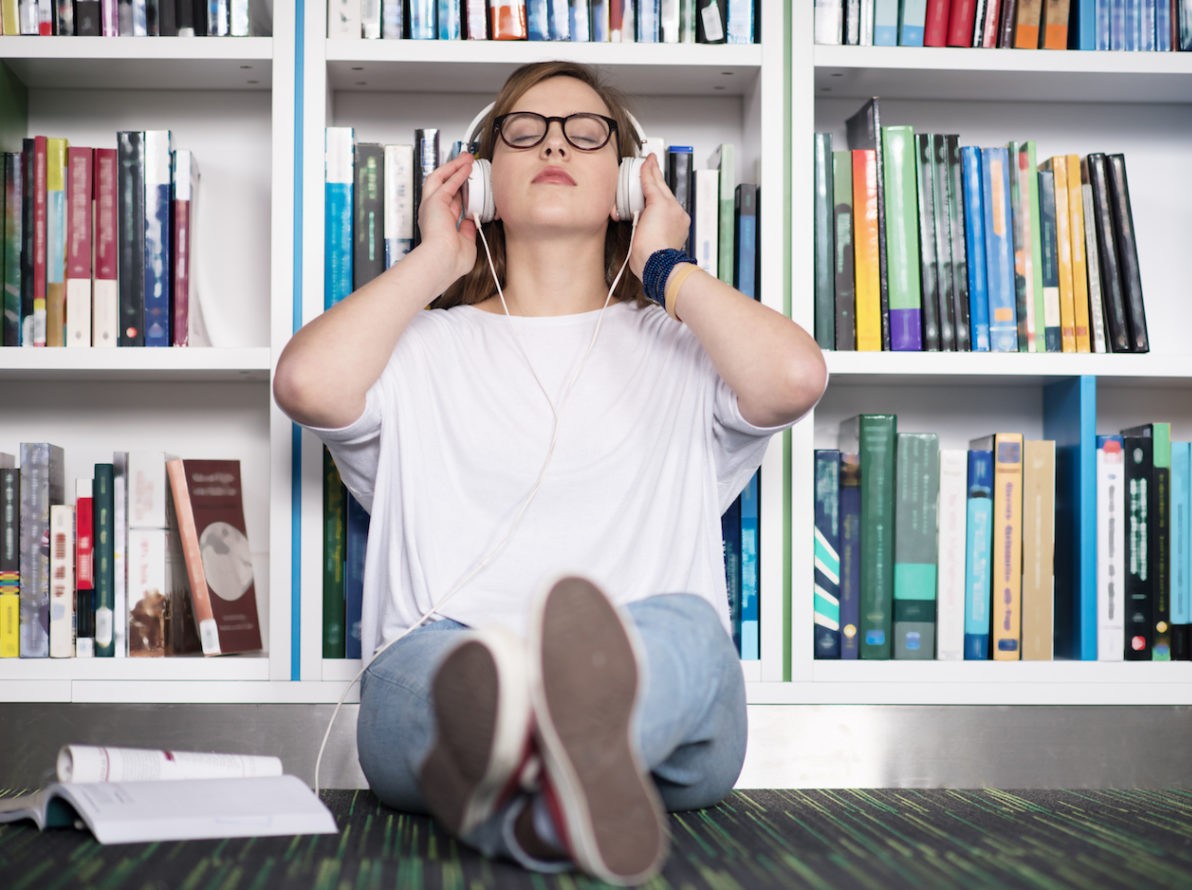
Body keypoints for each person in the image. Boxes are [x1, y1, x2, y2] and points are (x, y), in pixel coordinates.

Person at [273, 60, 827, 885]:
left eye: (585, 131)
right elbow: (305, 385)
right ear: (486, 181)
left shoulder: (684, 347)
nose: (553, 144)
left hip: (657, 691)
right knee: (435, 682)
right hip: (445, 666)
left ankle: (530, 775)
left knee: (691, 636)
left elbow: (794, 378)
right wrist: (435, 258)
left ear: (627, 188)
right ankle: (565, 781)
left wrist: (666, 263)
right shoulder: (419, 347)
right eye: (522, 132)